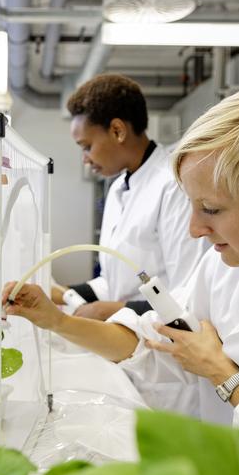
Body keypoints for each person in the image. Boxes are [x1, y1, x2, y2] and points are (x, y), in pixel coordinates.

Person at [4, 84, 239, 474]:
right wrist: (57, 321)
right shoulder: (236, 259)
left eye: (211, 209)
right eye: (193, 207)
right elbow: (156, 342)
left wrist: (224, 374)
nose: (195, 229)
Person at [54, 74, 208, 321]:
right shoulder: (117, 190)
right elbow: (113, 283)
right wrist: (60, 293)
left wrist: (116, 310)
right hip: (123, 337)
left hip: (164, 341)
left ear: (117, 131)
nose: (85, 158)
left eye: (86, 146)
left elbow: (188, 293)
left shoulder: (173, 186)